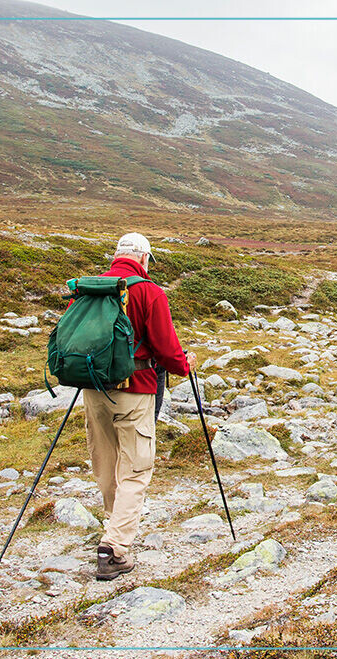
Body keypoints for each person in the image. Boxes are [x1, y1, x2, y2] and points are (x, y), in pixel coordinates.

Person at [84, 232, 195, 580]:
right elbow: (166, 348)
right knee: (135, 468)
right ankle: (115, 549)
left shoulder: (90, 289)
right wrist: (185, 365)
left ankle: (112, 526)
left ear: (116, 255)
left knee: (106, 463)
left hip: (93, 388)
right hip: (136, 388)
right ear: (145, 258)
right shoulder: (149, 291)